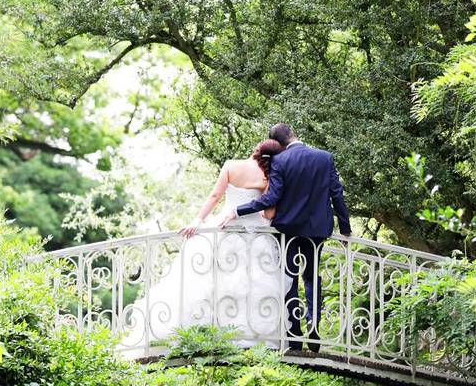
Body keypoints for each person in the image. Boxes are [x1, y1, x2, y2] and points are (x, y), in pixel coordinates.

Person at [130, 140, 287, 350]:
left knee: (211, 280)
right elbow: (268, 212)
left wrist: (197, 221)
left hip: (224, 227)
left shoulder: (231, 165)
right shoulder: (267, 176)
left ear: (255, 150)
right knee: (253, 283)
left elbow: (215, 196)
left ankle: (209, 332)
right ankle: (250, 338)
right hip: (254, 234)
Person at [221, 123, 352, 352]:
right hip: (317, 230)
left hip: (288, 230)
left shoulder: (280, 161)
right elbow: (337, 195)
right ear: (293, 134)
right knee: (311, 277)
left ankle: (294, 333)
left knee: (289, 278)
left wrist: (238, 211)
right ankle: (314, 324)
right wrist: (345, 229)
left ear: (279, 144)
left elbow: (271, 198)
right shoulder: (324, 158)